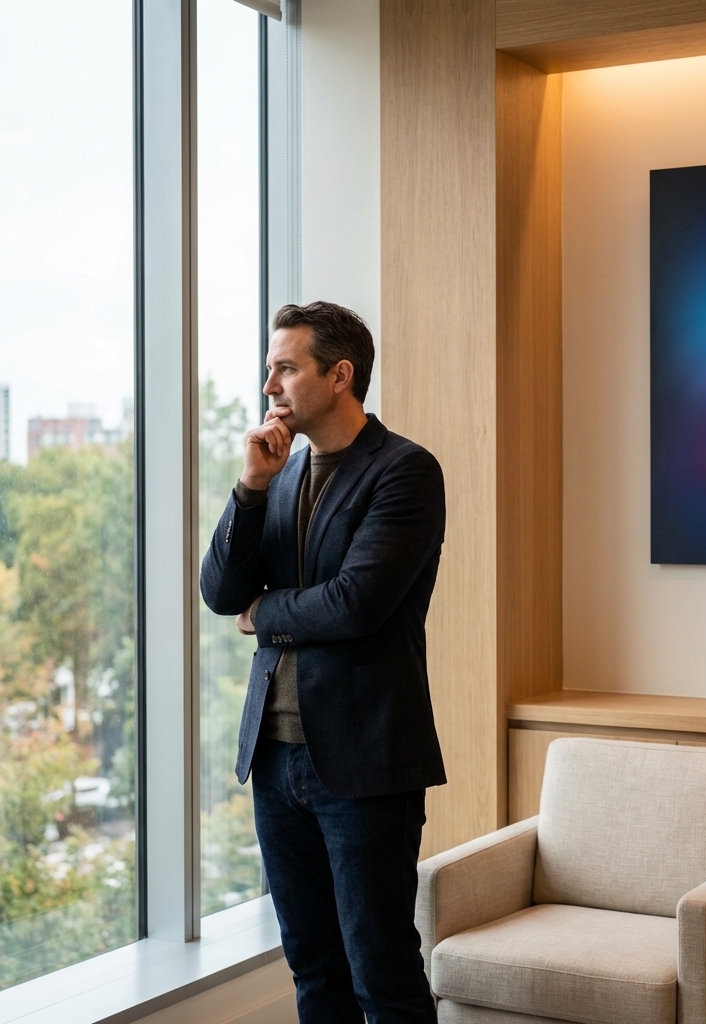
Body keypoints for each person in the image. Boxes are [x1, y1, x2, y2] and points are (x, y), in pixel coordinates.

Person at [200, 301, 446, 1024]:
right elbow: (220, 592)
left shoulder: (404, 472)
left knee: (382, 974)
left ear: (339, 375)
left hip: (364, 764)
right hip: (275, 763)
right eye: (269, 368)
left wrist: (266, 614)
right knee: (314, 971)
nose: (269, 384)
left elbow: (355, 603)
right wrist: (249, 487)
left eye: (285, 368)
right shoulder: (276, 474)